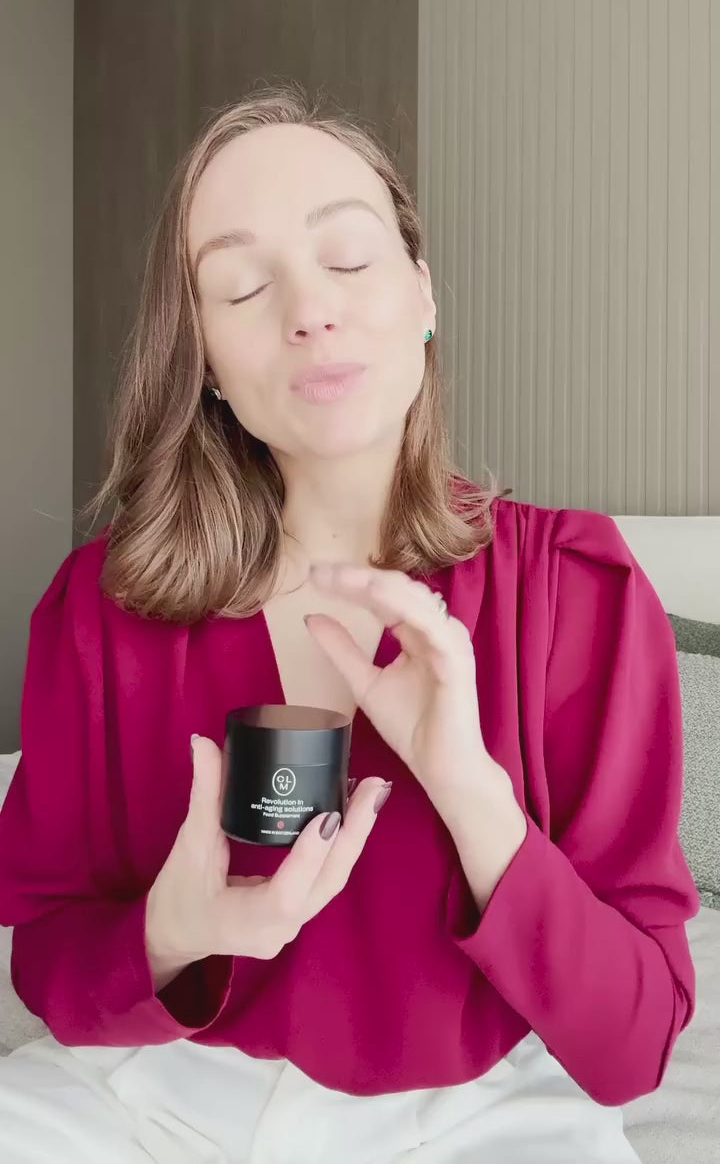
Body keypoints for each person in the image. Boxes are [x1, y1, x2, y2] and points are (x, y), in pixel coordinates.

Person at [0, 87, 699, 1164]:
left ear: (424, 294)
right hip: (148, 1092)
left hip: (477, 1111)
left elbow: (635, 1044)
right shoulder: (102, 607)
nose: (309, 310)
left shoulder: (577, 591)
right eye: (243, 285)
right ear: (207, 363)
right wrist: (174, 932)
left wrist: (470, 790)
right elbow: (47, 961)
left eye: (349, 258)